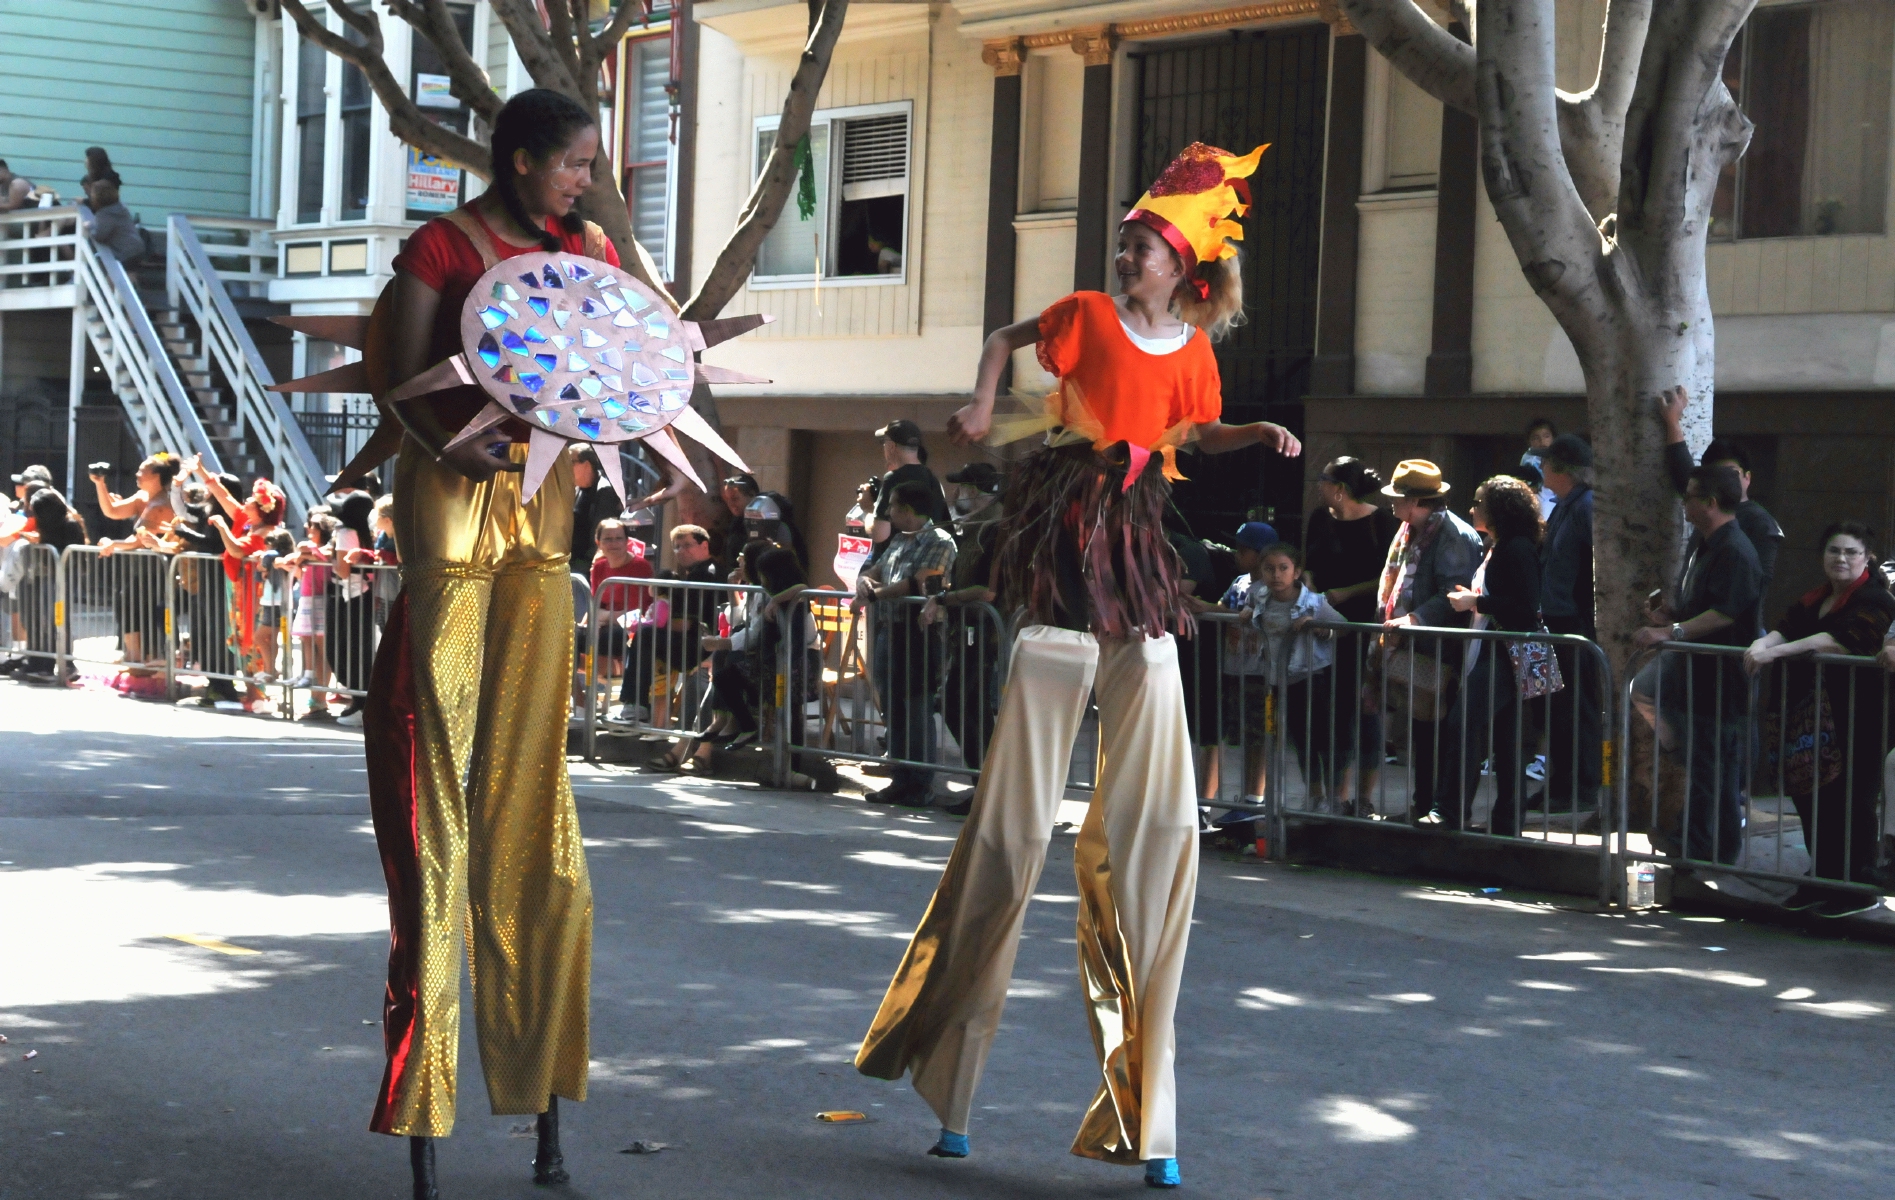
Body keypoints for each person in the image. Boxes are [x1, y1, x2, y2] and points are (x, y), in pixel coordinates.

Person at [856, 142, 1298, 1188]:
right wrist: (977, 401)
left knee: (1158, 832)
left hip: (1137, 570)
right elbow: (1011, 338)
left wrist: (1258, 432)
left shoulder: (1189, 344)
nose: (1122, 254)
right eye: (1122, 241)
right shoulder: (1086, 319)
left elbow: (1195, 424)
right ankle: (947, 1080)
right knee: (1011, 835)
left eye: (1138, 246)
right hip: (1060, 560)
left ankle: (1150, 1116)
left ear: (1183, 268)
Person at [360, 88, 622, 1193]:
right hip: (454, 515)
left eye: (591, 164)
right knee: (439, 807)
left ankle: (538, 1082)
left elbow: (631, 358)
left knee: (533, 801)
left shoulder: (592, 246)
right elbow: (401, 376)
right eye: (572, 163)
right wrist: (458, 451)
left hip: (544, 519)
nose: (586, 181)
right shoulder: (442, 244)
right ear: (520, 161)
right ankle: (425, 1093)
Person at [1745, 522, 1894, 916]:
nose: (1841, 559)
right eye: (1833, 551)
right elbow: (1786, 626)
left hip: (1855, 717)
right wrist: (1763, 643)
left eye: (1850, 552)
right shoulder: (1816, 597)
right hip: (1807, 719)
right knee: (1810, 794)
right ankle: (1822, 876)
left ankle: (1855, 887)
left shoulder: (1876, 599)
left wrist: (1775, 652)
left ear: (1866, 558)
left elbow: (1838, 640)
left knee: (1850, 799)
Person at [1632, 464, 1763, 866]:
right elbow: (1703, 606)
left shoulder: (1735, 549)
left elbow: (1725, 613)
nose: (1683, 503)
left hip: (1720, 679)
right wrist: (1671, 615)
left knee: (1716, 768)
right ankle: (1697, 842)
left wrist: (1674, 632)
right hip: (1696, 678)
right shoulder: (1704, 543)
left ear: (1709, 502)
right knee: (1705, 764)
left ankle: (1715, 850)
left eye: (1689, 496)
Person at [1375, 460, 1483, 826]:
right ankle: (1424, 804)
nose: (1392, 504)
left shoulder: (1453, 537)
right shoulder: (1413, 532)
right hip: (1418, 650)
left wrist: (1416, 618)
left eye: (1398, 497)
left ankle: (1438, 808)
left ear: (1418, 501)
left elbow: (1452, 593)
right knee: (1422, 729)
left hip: (1442, 653)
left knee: (1439, 731)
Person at [1445, 476, 1545, 835]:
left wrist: (1476, 602)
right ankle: (1506, 821)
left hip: (1505, 656)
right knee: (1507, 741)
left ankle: (1451, 811)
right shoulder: (1498, 545)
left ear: (1499, 510)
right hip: (1494, 651)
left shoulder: (1516, 548)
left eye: (1478, 503)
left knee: (1464, 726)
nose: (1472, 509)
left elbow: (1524, 606)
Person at [1303, 457, 1400, 811]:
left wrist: (1347, 593)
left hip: (1364, 628)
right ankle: (1336, 797)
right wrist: (1310, 583)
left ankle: (1364, 798)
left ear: (1341, 489)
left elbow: (1389, 575)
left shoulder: (1381, 522)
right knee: (1332, 714)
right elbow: (1308, 561)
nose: (1319, 485)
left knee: (1366, 711)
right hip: (1323, 628)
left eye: (1324, 479)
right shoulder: (1319, 519)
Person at [854, 478, 957, 806]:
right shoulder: (898, 540)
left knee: (916, 706)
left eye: (895, 506)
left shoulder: (941, 541)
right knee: (893, 705)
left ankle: (920, 782)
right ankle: (899, 777)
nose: (889, 512)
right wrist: (865, 583)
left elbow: (923, 582)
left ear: (910, 510)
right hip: (890, 629)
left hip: (920, 634)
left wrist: (876, 593)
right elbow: (877, 571)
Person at [1659, 386, 1783, 619]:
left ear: (1747, 477)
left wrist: (1676, 630)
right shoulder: (1707, 517)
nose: (1723, 481)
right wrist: (1672, 422)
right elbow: (1684, 473)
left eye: (1732, 473)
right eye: (1714, 475)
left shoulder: (1758, 525)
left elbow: (1748, 594)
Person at [1538, 434, 1600, 817]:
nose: (1541, 469)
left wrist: (1582, 617)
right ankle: (1560, 784)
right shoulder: (1565, 505)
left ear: (1562, 469)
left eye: (1547, 463)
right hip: (1557, 621)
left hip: (1575, 625)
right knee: (1558, 710)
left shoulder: (1586, 506)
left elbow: (1592, 568)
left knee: (1578, 709)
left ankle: (1581, 786)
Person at [1205, 520, 1280, 822]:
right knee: (1243, 733)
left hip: (1262, 672)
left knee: (1259, 734)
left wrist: (1205, 608)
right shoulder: (1239, 582)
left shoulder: (1271, 586)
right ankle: (1247, 798)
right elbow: (1224, 607)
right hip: (1236, 669)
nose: (1237, 555)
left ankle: (1255, 797)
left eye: (1243, 550)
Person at [620, 523, 722, 726]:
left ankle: (635, 704)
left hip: (697, 647)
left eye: (687, 545)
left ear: (705, 546)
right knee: (643, 636)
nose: (681, 551)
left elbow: (684, 625)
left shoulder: (702, 575)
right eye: (677, 546)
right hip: (698, 642)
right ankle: (639, 706)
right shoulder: (700, 571)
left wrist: (649, 624)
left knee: (645, 635)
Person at [91, 454, 179, 680]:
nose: (137, 474)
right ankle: (135, 655)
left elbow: (138, 540)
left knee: (141, 605)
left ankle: (146, 657)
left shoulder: (162, 502)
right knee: (128, 602)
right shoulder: (142, 497)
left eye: (143, 470)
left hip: (161, 564)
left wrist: (112, 544)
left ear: (157, 475)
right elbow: (112, 511)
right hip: (144, 563)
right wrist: (100, 484)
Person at [869, 419, 950, 550]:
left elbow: (880, 534)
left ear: (891, 447)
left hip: (900, 560)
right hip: (927, 558)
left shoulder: (893, 479)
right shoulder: (932, 479)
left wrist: (868, 513)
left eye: (884, 442)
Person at [569, 445, 619, 571]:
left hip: (587, 566)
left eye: (570, 462)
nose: (566, 467)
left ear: (586, 465)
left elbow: (601, 536)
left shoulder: (605, 491)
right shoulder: (577, 489)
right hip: (572, 561)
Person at [79, 176, 145, 267]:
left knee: (110, 272)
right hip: (137, 247)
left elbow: (100, 235)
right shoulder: (120, 207)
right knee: (129, 275)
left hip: (124, 252)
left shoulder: (104, 213)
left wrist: (89, 227)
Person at [1521, 417, 1558, 517]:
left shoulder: (1559, 456)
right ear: (1529, 442)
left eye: (1546, 436)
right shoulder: (1528, 459)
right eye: (1536, 438)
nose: (1542, 441)